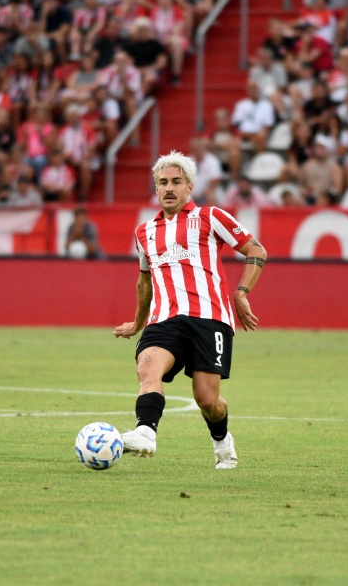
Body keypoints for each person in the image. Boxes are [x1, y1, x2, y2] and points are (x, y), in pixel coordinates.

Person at [113, 151, 267, 469]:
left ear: (189, 187)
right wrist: (138, 323)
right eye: (162, 183)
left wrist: (242, 293)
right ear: (156, 188)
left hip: (209, 319)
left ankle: (222, 441)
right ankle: (145, 432)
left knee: (207, 400)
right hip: (164, 319)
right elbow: (144, 281)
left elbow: (256, 249)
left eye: (176, 182)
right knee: (148, 366)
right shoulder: (144, 232)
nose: (169, 188)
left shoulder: (211, 217)